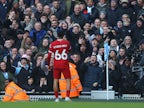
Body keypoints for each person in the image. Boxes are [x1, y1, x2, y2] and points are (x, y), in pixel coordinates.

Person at [47, 30, 71, 102]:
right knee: (68, 80)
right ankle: (67, 96)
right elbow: (69, 50)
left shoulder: (53, 44)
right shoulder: (67, 43)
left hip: (56, 64)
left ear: (57, 35)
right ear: (63, 35)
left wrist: (49, 64)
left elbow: (49, 56)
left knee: (55, 80)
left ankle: (56, 98)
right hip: (64, 63)